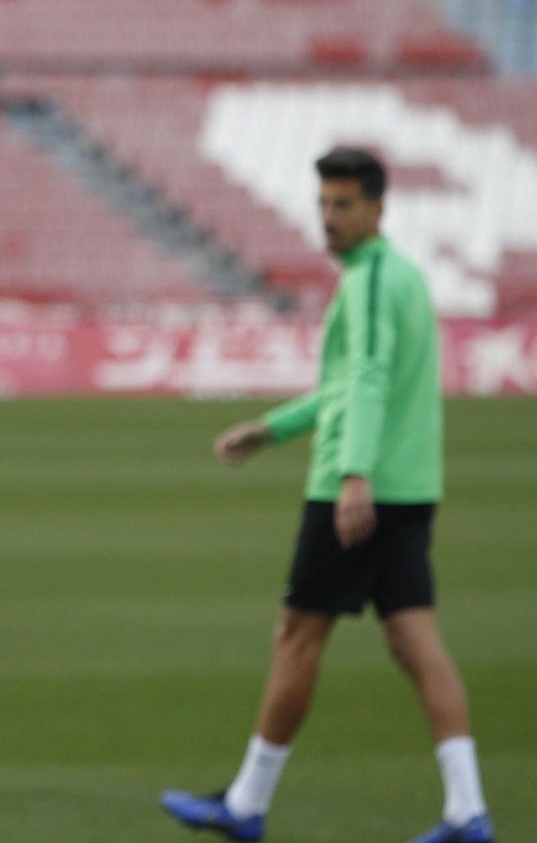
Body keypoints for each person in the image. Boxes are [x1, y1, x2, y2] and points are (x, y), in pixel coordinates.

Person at [161, 148, 494, 843]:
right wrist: (275, 428)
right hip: (411, 486)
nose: (330, 218)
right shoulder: (402, 277)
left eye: (343, 204)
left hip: (361, 487)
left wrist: (352, 475)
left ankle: (248, 802)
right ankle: (467, 810)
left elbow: (367, 377)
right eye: (323, 204)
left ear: (378, 208)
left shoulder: (371, 280)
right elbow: (353, 385)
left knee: (297, 634)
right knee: (414, 640)